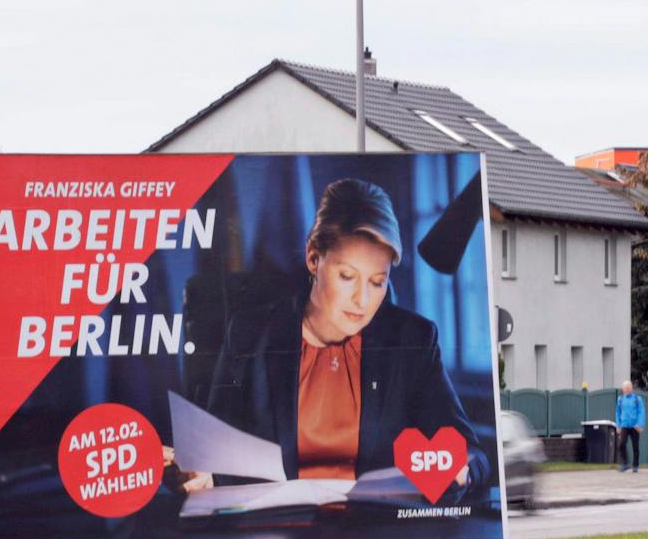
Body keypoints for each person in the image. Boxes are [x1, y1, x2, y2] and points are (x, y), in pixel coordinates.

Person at [175, 178, 487, 497]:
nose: (362, 300)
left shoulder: (413, 340)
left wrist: (460, 468)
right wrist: (204, 473)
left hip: (376, 533)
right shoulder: (250, 333)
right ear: (314, 258)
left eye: (378, 282)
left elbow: (470, 453)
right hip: (277, 530)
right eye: (347, 276)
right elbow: (214, 454)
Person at [614, 380, 645, 472]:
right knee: (621, 444)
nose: (626, 390)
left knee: (635, 446)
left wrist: (639, 424)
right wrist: (618, 425)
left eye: (628, 388)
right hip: (624, 425)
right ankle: (625, 463)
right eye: (625, 388)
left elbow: (641, 412)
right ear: (623, 389)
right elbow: (618, 412)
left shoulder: (637, 399)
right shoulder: (620, 399)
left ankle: (635, 465)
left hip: (635, 426)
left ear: (631, 388)